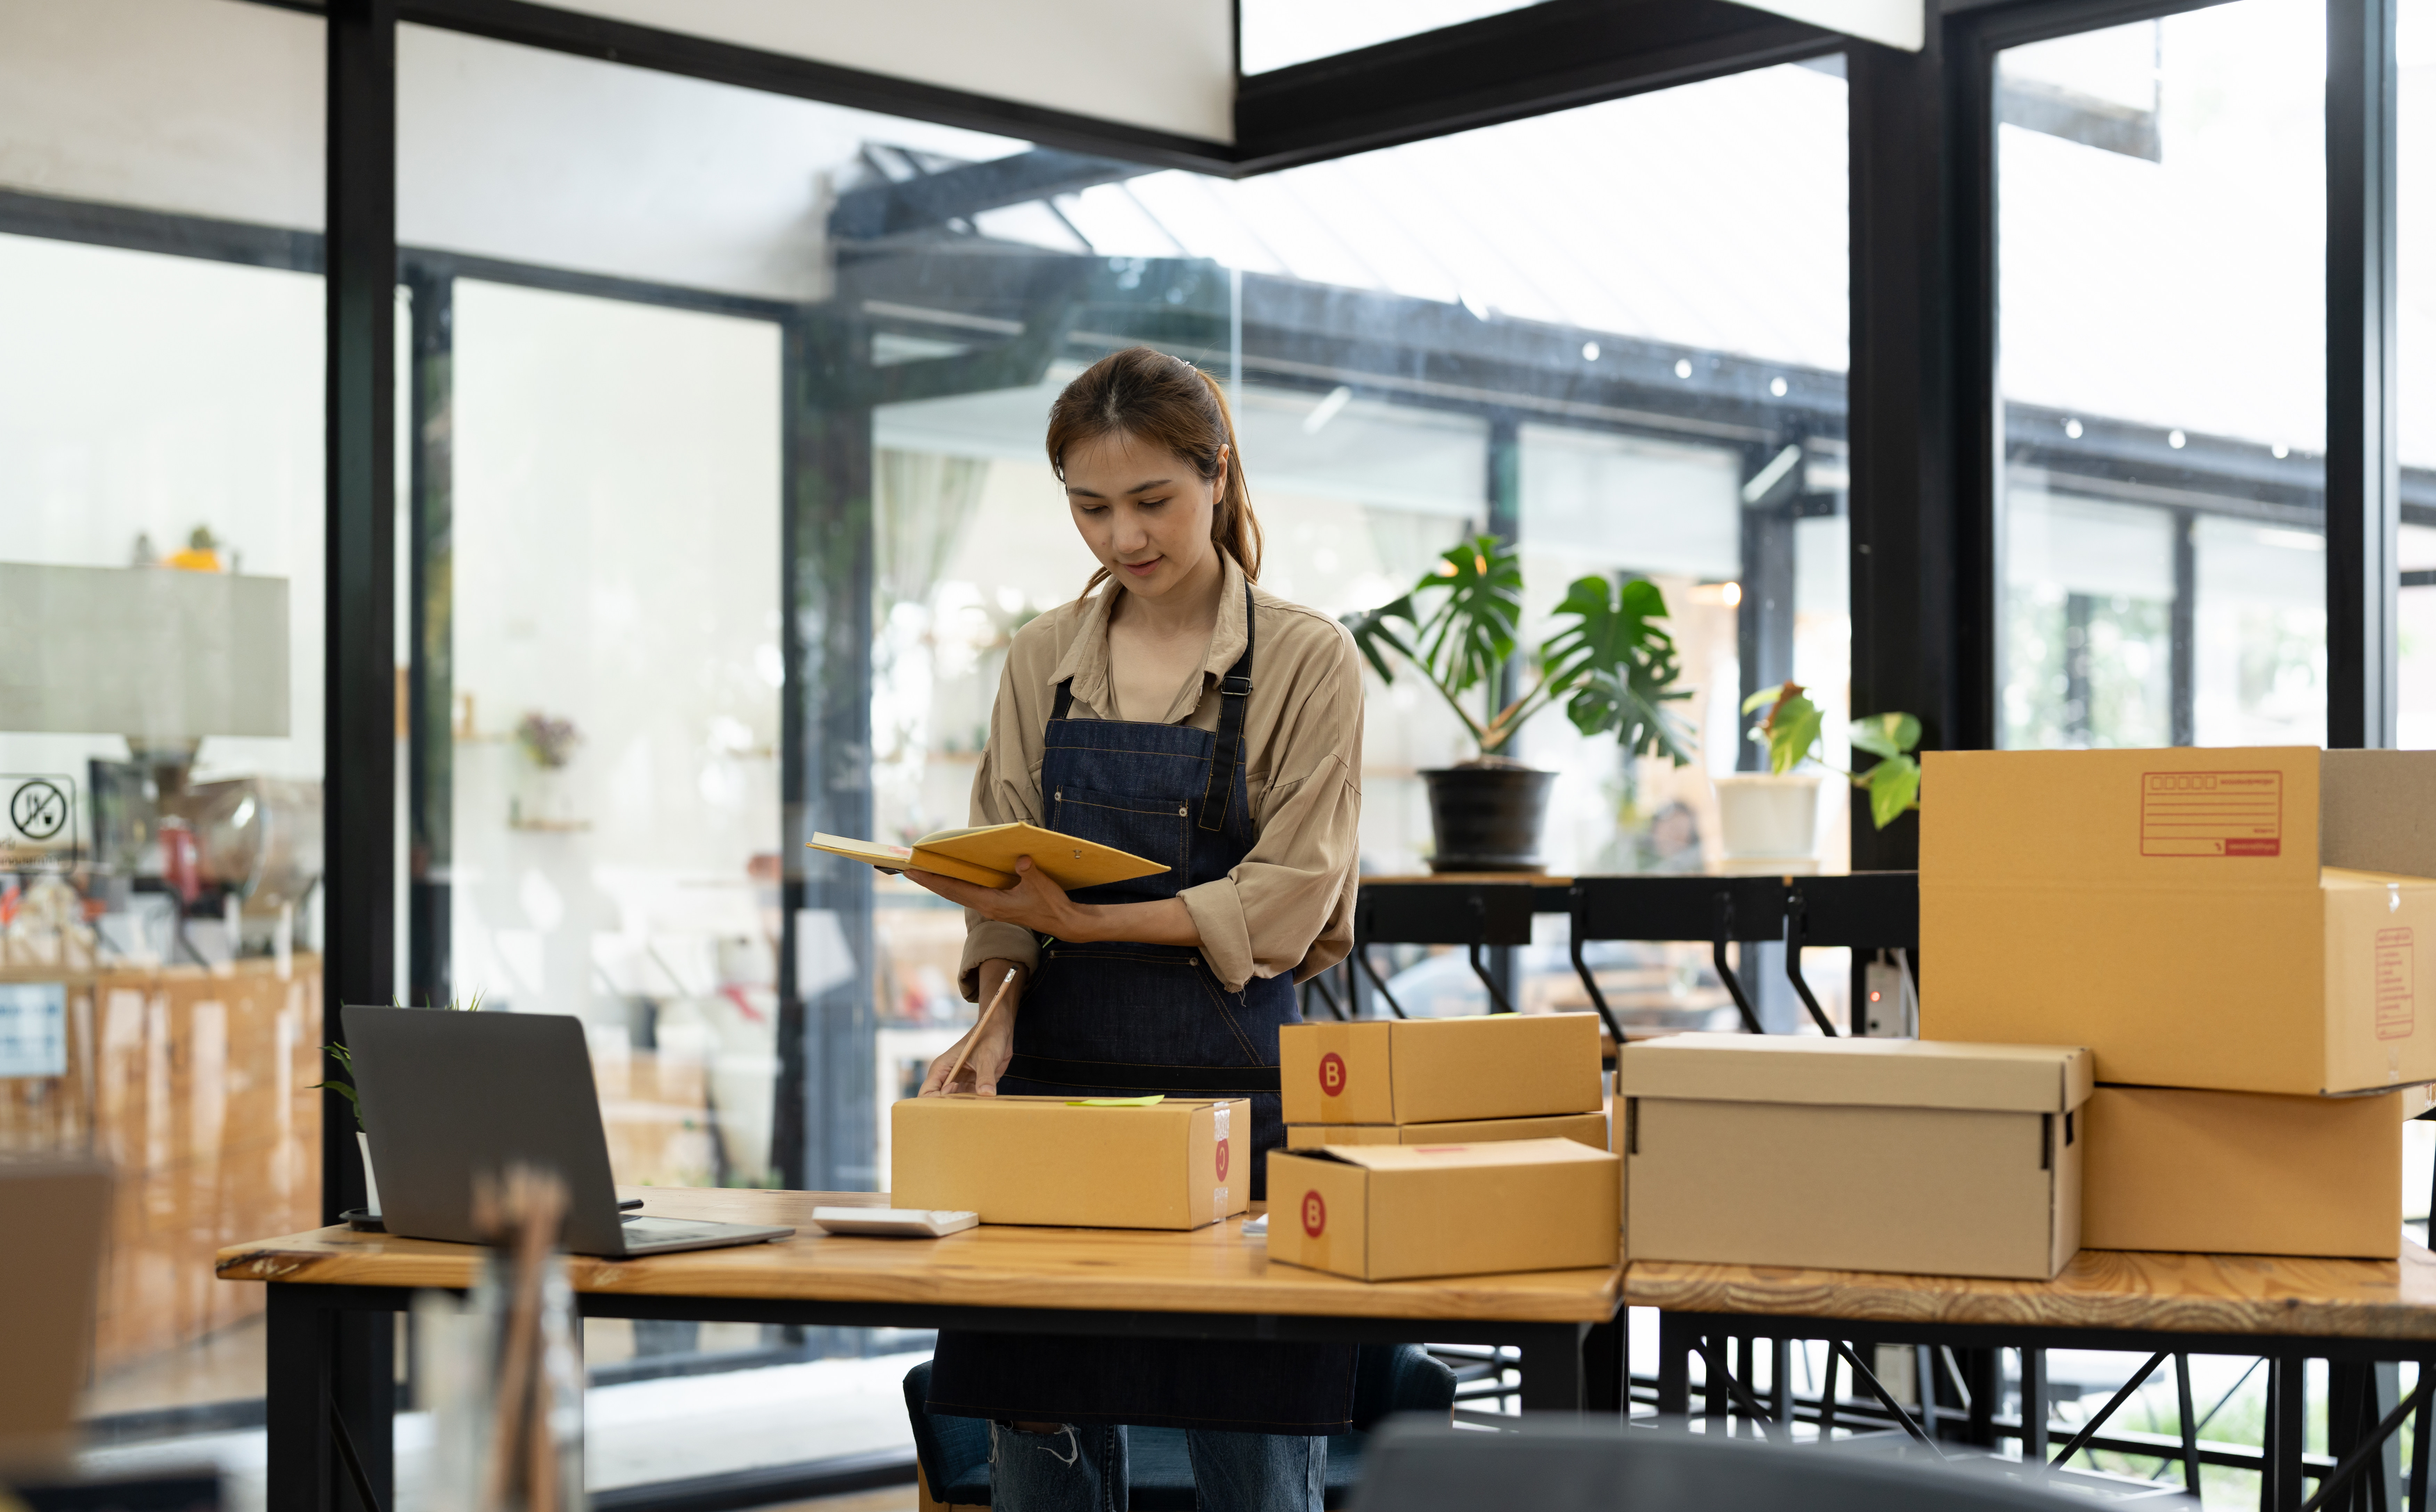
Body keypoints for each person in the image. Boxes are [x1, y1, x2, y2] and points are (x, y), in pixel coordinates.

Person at [904, 346, 1365, 1512]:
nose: (1123, 538)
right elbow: (1004, 865)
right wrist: (996, 1016)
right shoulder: (1041, 659)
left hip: (1239, 1110)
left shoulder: (1309, 660)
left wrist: (1090, 926)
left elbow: (1292, 897)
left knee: (1253, 1448)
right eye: (1090, 508)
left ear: (1218, 475)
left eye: (1152, 501)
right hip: (1054, 1106)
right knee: (1038, 1446)